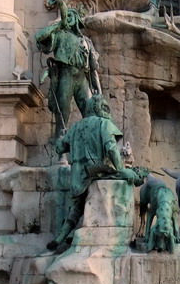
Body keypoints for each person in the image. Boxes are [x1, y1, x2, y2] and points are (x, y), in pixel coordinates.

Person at [47, 95, 146, 250]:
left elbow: (60, 148)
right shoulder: (104, 123)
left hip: (78, 178)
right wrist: (122, 170)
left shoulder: (75, 127)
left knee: (77, 207)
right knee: (131, 175)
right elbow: (112, 149)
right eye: (104, 106)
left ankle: (60, 237)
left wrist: (62, 137)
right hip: (97, 172)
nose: (107, 109)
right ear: (97, 108)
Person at [35, 0, 101, 140]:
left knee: (90, 113)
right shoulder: (59, 35)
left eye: (71, 15)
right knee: (63, 114)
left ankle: (90, 150)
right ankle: (61, 153)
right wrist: (58, 24)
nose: (68, 17)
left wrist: (99, 93)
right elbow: (39, 37)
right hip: (66, 75)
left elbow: (93, 70)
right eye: (67, 15)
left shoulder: (86, 41)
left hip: (82, 77)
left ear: (77, 20)